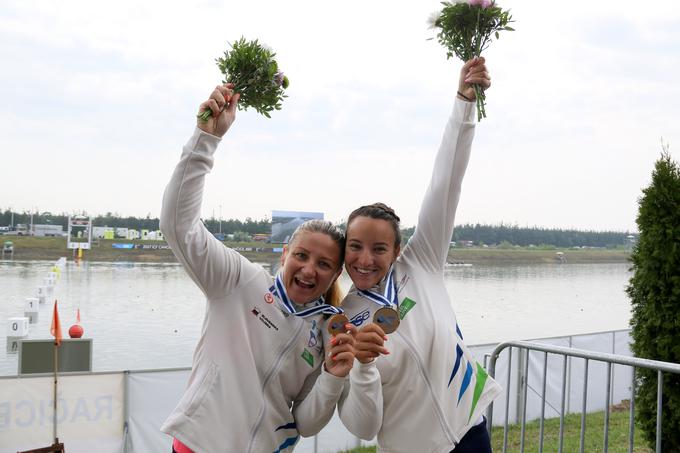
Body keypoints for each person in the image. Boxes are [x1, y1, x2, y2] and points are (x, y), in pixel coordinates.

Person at [159, 84, 360, 452]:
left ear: (335, 275)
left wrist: (333, 374)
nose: (309, 270)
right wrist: (205, 140)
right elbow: (178, 226)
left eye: (324, 264)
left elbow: (306, 422)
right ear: (285, 254)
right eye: (301, 256)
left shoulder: (329, 327)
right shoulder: (239, 282)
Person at [338, 57, 502, 452]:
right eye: (355, 247)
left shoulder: (422, 262)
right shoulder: (340, 320)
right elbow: (362, 425)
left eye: (379, 248)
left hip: (470, 430)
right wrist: (363, 365)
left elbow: (446, 182)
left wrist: (464, 103)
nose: (365, 259)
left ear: (397, 250)